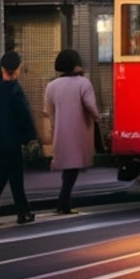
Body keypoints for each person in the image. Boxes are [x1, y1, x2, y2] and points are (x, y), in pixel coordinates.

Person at [0, 51, 38, 226]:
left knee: (6, 174)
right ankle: (21, 212)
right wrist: (30, 137)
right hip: (12, 139)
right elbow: (24, 116)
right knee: (14, 176)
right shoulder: (14, 90)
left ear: (2, 68)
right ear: (17, 69)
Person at [43, 49, 100, 215]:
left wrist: (54, 125)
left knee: (69, 169)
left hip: (60, 130)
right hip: (79, 130)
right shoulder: (83, 83)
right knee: (72, 169)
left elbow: (48, 109)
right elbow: (91, 107)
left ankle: (64, 203)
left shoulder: (51, 86)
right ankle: (63, 204)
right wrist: (97, 117)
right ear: (76, 65)